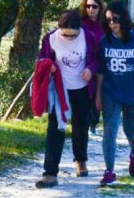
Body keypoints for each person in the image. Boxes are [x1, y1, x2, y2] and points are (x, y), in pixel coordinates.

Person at [34, 10, 99, 187]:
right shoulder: (51, 38)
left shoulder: (89, 37)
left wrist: (90, 69)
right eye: (65, 35)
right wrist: (50, 66)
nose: (69, 39)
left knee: (81, 126)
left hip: (82, 89)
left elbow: (97, 59)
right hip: (60, 89)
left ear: (79, 29)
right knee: (55, 128)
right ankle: (50, 173)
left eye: (73, 36)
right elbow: (43, 59)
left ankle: (80, 160)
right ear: (59, 29)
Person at [95, 0, 134, 186]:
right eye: (108, 20)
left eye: (115, 19)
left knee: (131, 132)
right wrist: (98, 94)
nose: (112, 23)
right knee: (109, 131)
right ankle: (109, 171)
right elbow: (100, 70)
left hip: (133, 94)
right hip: (110, 93)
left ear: (124, 19)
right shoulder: (105, 41)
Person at [80, 0, 107, 134]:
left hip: (99, 64)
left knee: (97, 93)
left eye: (94, 6)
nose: (91, 9)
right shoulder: (80, 23)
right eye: (88, 6)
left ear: (99, 8)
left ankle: (93, 123)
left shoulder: (104, 25)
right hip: (82, 63)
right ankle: (82, 122)